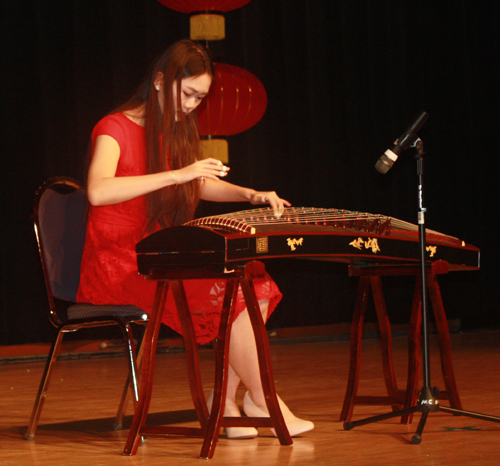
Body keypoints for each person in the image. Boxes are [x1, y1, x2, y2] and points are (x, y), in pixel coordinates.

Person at [77, 39, 313, 439]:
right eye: (186, 94)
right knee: (231, 290)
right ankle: (266, 401)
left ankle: (227, 403)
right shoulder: (113, 127)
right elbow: (98, 190)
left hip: (158, 254)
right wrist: (178, 174)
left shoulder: (171, 131)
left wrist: (248, 194)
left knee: (253, 281)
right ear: (158, 81)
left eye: (198, 98)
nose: (190, 106)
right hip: (117, 262)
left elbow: (200, 182)